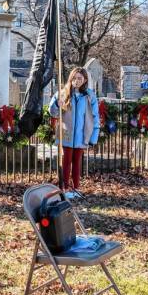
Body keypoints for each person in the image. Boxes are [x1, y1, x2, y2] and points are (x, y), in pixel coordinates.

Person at [49, 67, 100, 197]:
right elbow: (53, 112)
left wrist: (93, 136)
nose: (76, 81)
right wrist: (56, 104)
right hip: (66, 133)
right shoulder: (63, 93)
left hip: (82, 134)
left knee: (77, 161)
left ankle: (76, 188)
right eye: (74, 78)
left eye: (79, 78)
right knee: (66, 161)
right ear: (70, 79)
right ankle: (65, 188)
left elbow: (95, 116)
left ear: (85, 80)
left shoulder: (89, 96)